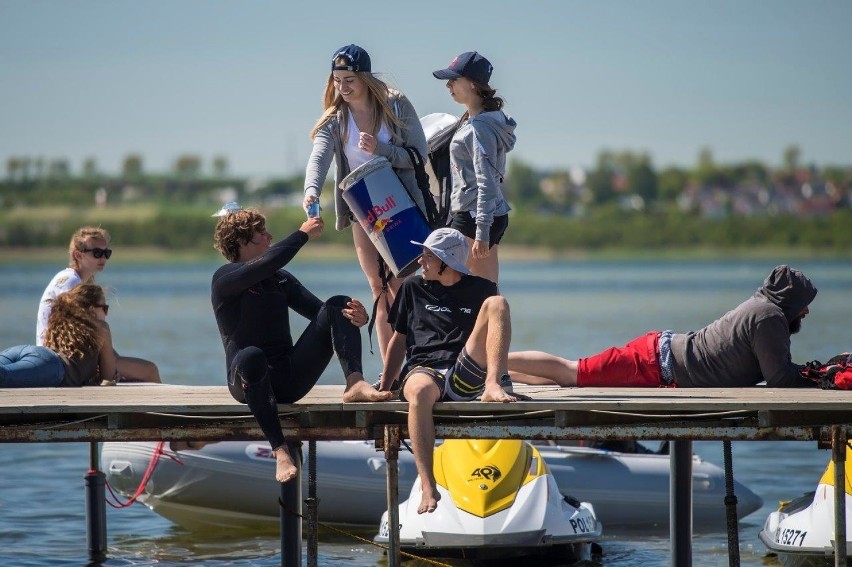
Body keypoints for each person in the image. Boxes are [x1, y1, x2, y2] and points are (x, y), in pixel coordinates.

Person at [211, 205, 392, 484]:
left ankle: (355, 383)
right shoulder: (225, 279)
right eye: (261, 233)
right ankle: (279, 449)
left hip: (289, 380)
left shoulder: (279, 279)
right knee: (251, 356)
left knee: (338, 304)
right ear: (241, 241)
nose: (269, 236)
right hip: (247, 382)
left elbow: (325, 315)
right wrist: (301, 235)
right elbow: (268, 262)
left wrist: (356, 317)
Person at [377, 228, 517, 515]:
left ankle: (493, 385)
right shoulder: (411, 288)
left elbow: (492, 330)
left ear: (446, 260)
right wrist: (384, 386)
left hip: (463, 372)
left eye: (427, 256)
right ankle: (428, 484)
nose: (420, 261)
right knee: (418, 390)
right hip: (423, 369)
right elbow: (399, 340)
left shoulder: (482, 288)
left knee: (498, 303)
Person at [303, 44, 429, 361]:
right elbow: (319, 157)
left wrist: (380, 151)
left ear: (364, 78)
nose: (342, 88)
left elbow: (419, 154)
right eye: (337, 80)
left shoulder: (395, 105)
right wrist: (311, 190)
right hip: (363, 208)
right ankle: (389, 370)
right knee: (378, 286)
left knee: (402, 283)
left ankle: (414, 360)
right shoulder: (335, 119)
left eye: (349, 80)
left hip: (402, 202)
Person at [508, 265, 819, 389]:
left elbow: (778, 372)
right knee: (570, 372)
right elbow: (779, 379)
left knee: (567, 380)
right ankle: (486, 361)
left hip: (661, 359)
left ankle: (492, 371)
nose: (805, 311)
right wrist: (822, 379)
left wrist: (818, 372)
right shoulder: (768, 317)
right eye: (803, 303)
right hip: (653, 363)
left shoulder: (761, 309)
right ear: (789, 300)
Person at [432, 51, 517, 284]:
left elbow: (486, 181)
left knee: (467, 289)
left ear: (472, 84)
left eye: (454, 79)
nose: (448, 85)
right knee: (484, 292)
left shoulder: (480, 127)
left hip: (475, 216)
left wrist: (482, 232)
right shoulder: (477, 121)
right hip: (483, 213)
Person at [36, 226, 160, 383]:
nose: (103, 258)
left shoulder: (81, 281)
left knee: (136, 380)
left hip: (74, 354)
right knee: (149, 370)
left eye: (106, 253)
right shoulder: (70, 281)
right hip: (64, 358)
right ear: (77, 255)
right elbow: (75, 327)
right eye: (97, 253)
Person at [2, 284, 122, 387]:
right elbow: (108, 378)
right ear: (91, 310)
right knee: (4, 377)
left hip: (30, 352)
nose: (106, 314)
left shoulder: (65, 324)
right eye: (104, 308)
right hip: (53, 366)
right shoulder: (101, 327)